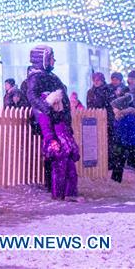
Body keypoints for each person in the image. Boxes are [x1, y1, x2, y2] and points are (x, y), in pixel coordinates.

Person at [24, 45, 79, 200]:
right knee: (58, 156)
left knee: (66, 155)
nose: (54, 60)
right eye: (51, 58)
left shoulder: (51, 77)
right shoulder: (36, 77)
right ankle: (58, 191)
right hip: (51, 123)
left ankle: (68, 192)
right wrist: (49, 109)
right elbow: (33, 97)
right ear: (43, 60)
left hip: (60, 121)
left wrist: (65, 118)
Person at [86, 72, 118, 183]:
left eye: (98, 80)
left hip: (107, 120)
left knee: (108, 143)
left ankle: (109, 163)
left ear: (102, 80)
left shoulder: (108, 90)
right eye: (94, 79)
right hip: (95, 122)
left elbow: (111, 105)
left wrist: (108, 118)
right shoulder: (90, 92)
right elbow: (89, 106)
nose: (96, 82)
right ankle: (100, 162)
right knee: (98, 143)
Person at [110, 90, 135, 182]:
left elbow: (122, 132)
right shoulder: (127, 116)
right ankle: (115, 180)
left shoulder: (124, 118)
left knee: (122, 162)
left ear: (120, 107)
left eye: (115, 108)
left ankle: (115, 180)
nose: (113, 110)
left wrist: (119, 142)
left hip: (127, 143)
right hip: (128, 143)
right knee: (120, 162)